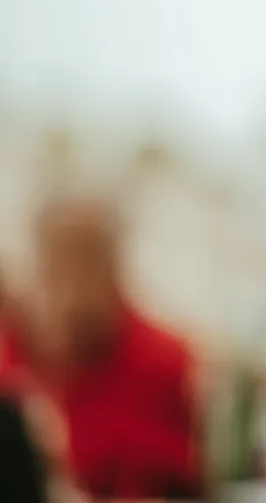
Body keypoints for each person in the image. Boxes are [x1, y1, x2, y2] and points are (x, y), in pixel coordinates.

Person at [0, 195, 204, 500]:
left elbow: (175, 479)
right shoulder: (9, 355)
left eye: (87, 262)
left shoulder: (164, 359)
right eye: (57, 263)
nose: (73, 284)